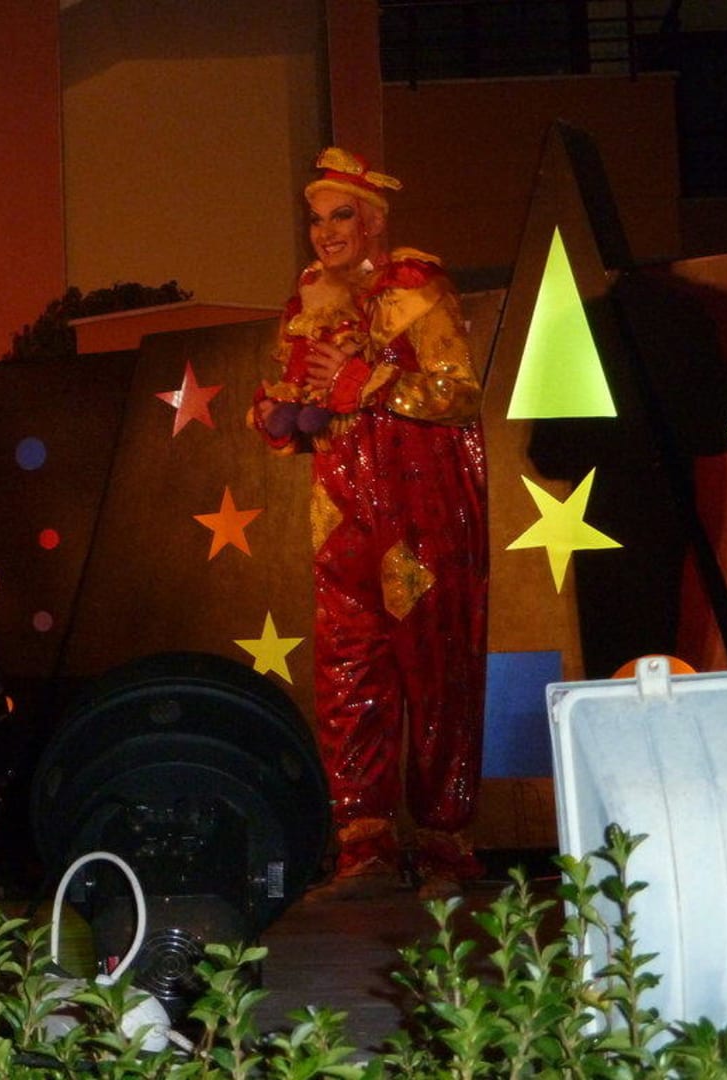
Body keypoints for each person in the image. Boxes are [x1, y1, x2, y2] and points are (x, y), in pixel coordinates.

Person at [251, 147, 488, 898]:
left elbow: (459, 393)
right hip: (342, 514)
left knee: (435, 670)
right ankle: (365, 847)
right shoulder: (306, 303)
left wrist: (373, 382)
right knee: (349, 673)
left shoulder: (415, 288)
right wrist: (281, 414)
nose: (325, 232)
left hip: (420, 512)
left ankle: (445, 844)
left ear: (374, 222)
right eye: (316, 220)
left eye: (341, 216)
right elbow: (309, 412)